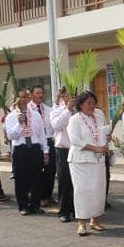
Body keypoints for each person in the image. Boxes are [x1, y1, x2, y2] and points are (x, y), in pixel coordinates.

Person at [67, 91, 109, 236]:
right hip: (80, 160)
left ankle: (95, 220)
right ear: (80, 105)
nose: (92, 106)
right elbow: (75, 140)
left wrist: (106, 139)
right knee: (82, 191)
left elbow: (102, 133)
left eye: (93, 102)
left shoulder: (99, 115)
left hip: (98, 159)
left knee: (98, 190)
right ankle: (81, 224)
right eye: (88, 103)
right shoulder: (75, 119)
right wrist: (95, 148)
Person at [5, 89, 48, 215]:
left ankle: (35, 205)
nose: (23, 100)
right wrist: (19, 123)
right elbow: (11, 136)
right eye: (20, 97)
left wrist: (45, 151)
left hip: (35, 149)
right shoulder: (11, 116)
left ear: (29, 99)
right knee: (21, 179)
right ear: (16, 100)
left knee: (37, 179)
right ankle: (23, 206)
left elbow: (41, 135)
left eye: (25, 97)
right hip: (20, 149)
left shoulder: (36, 115)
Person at [28, 85, 57, 206]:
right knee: (36, 170)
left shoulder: (48, 109)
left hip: (48, 140)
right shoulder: (27, 109)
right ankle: (36, 196)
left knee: (51, 170)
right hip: (35, 142)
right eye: (37, 93)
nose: (40, 95)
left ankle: (47, 195)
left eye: (42, 93)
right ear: (31, 94)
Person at [50, 89, 75, 222]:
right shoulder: (57, 110)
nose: (66, 97)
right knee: (64, 180)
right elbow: (57, 125)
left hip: (78, 149)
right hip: (63, 150)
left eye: (68, 95)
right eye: (64, 95)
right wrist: (68, 110)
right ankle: (64, 211)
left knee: (77, 182)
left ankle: (77, 210)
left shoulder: (79, 110)